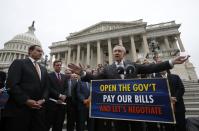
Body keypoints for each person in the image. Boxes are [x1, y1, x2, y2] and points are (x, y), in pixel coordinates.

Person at [68, 45, 189, 131]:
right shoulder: (107, 69)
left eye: (119, 51)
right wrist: (83, 73)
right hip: (118, 109)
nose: (116, 52)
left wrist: (171, 62)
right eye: (114, 51)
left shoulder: (133, 65)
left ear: (124, 53)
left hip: (135, 108)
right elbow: (95, 78)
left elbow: (151, 68)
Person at [3, 45, 49, 131]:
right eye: (38, 50)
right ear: (30, 51)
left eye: (41, 52)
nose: (41, 53)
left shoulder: (43, 69)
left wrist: (43, 99)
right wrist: (26, 100)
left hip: (38, 111)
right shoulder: (19, 62)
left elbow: (46, 87)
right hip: (19, 110)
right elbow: (11, 84)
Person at [45, 60, 68, 131]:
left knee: (59, 124)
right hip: (52, 103)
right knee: (47, 124)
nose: (59, 66)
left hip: (62, 105)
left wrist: (64, 95)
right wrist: (59, 95)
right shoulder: (49, 75)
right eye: (57, 65)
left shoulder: (64, 76)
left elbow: (66, 88)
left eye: (60, 65)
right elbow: (49, 88)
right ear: (54, 66)